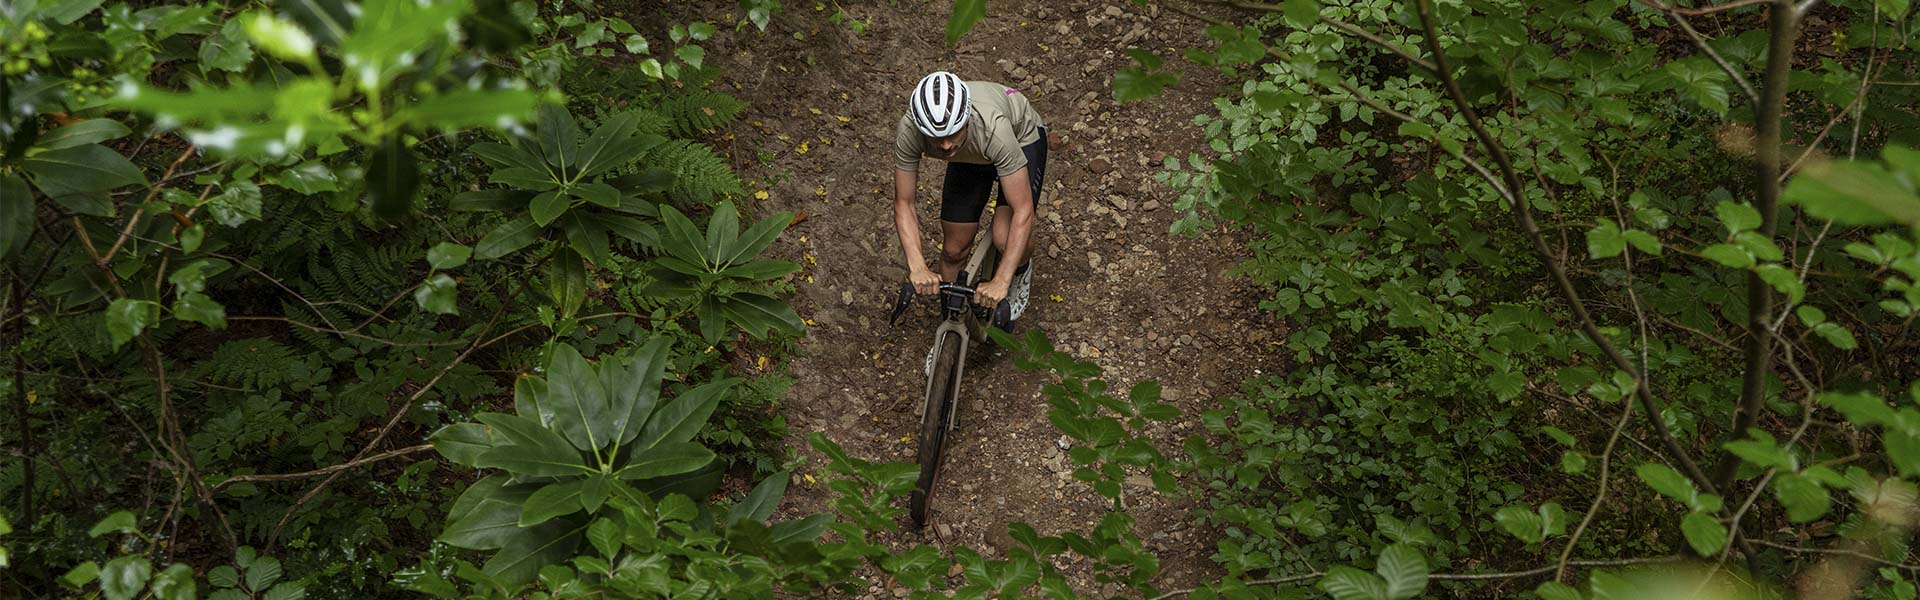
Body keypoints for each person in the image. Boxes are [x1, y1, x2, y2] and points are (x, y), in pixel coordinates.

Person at [891, 71, 1047, 326]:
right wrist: (917, 265)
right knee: (953, 250)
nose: (945, 146)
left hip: (1018, 137)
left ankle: (1022, 269)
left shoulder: (993, 128)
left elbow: (1023, 211)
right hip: (972, 153)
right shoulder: (910, 130)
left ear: (966, 120)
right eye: (936, 137)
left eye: (952, 134)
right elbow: (904, 202)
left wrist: (1001, 280)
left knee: (1004, 237)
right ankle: (950, 327)